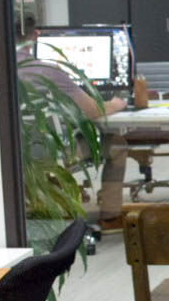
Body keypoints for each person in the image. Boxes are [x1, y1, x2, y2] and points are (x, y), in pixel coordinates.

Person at [17, 23, 129, 229]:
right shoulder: (47, 70)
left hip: (15, 154)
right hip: (53, 152)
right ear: (35, 35)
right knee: (116, 144)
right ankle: (111, 217)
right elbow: (93, 110)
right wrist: (117, 103)